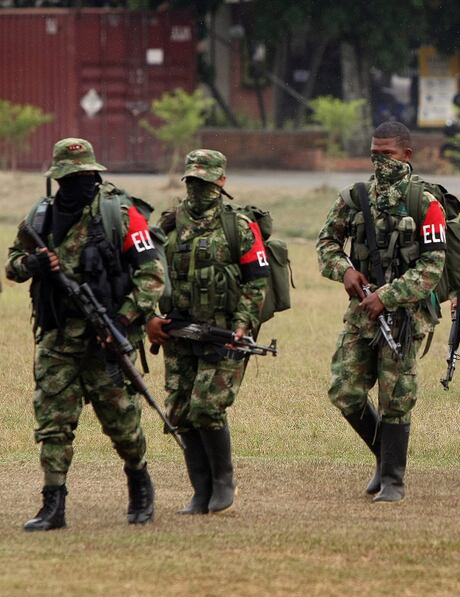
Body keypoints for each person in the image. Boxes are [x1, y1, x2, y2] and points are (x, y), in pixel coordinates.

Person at [5, 138, 165, 530]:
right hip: (57, 338)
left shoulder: (120, 213)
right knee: (53, 422)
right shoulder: (41, 216)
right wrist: (34, 263)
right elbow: (12, 264)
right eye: (68, 177)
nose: (75, 184)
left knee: (123, 422)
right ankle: (52, 504)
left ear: (94, 175)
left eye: (81, 177)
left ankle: (139, 483)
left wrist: (123, 322)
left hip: (106, 338)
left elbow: (152, 276)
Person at [316, 121, 447, 503]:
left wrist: (388, 297)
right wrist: (345, 271)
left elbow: (432, 266)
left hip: (403, 317)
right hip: (362, 313)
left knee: (396, 396)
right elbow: (326, 243)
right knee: (344, 390)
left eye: (387, 154)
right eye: (374, 154)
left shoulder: (425, 202)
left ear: (407, 155)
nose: (379, 162)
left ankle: (392, 479)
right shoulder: (355, 197)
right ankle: (382, 455)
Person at [146, 150, 270, 514]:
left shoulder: (239, 227)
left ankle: (222, 483)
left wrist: (242, 325)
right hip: (179, 333)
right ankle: (200, 490)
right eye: (192, 181)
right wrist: (150, 320)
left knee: (207, 407)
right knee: (180, 411)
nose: (198, 188)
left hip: (223, 332)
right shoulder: (169, 224)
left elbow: (256, 282)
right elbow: (147, 276)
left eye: (205, 182)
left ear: (221, 182)